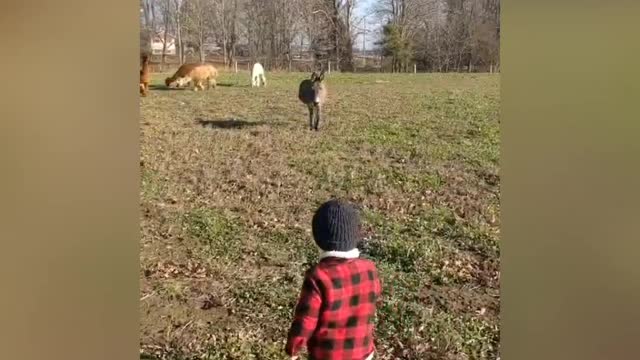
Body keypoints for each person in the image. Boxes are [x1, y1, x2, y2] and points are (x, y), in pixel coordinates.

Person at [285, 199, 382, 360]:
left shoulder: (318, 276)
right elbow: (374, 298)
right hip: (363, 353)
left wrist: (293, 347)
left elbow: (306, 320)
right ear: (356, 235)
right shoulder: (369, 268)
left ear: (317, 238)